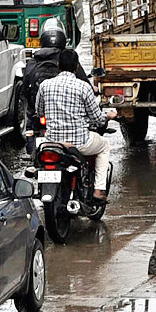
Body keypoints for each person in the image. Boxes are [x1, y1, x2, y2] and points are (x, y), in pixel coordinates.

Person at [35, 48, 117, 201]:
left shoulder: (45, 85)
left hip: (53, 143)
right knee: (104, 145)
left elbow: (39, 112)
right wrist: (108, 116)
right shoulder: (83, 87)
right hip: (79, 144)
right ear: (77, 67)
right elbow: (97, 119)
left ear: (58, 65)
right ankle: (99, 190)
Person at [22, 19, 89, 152]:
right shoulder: (67, 60)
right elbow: (85, 84)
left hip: (38, 118)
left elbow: (25, 90)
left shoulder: (33, 62)